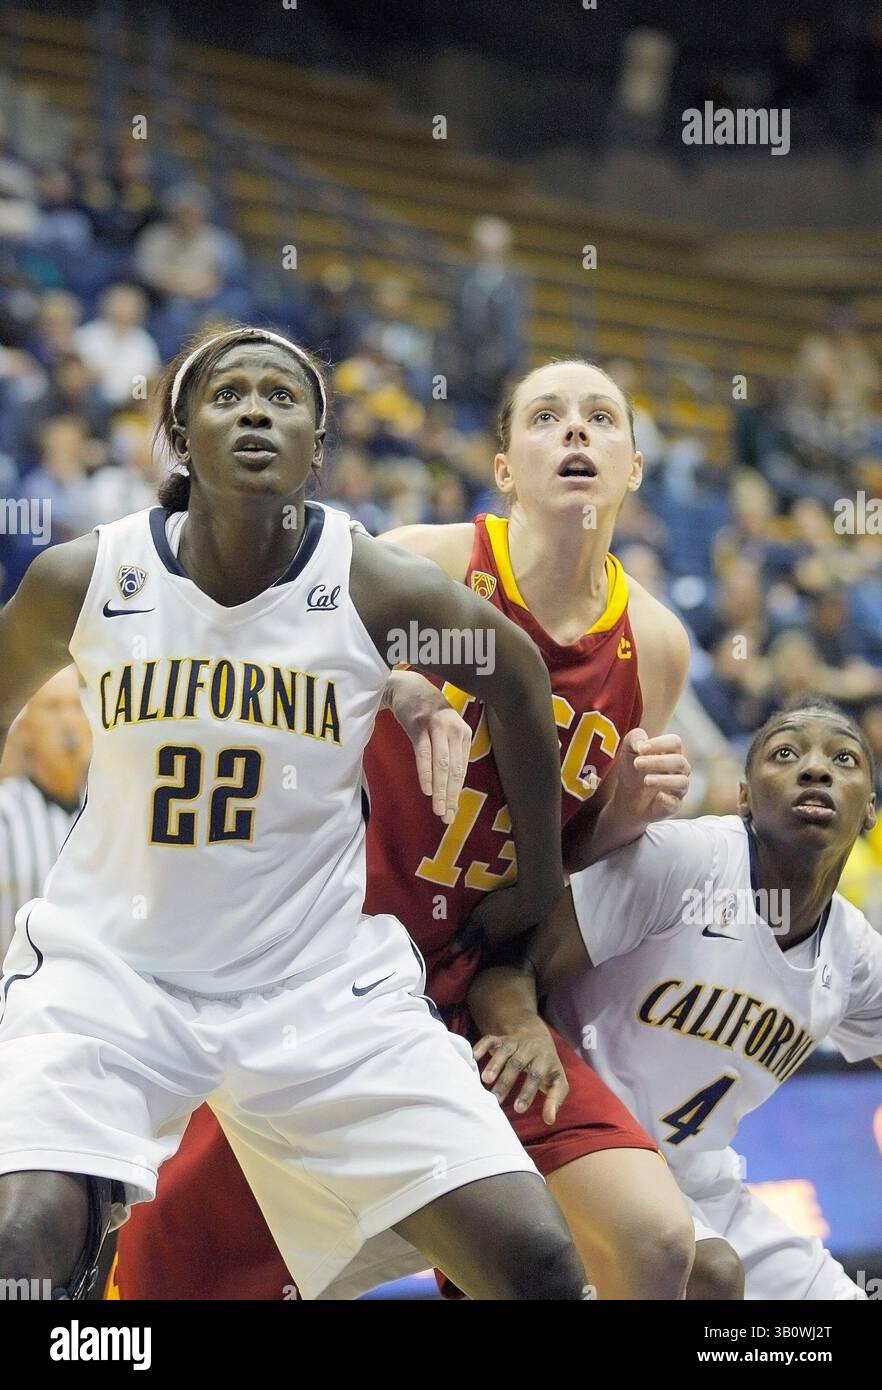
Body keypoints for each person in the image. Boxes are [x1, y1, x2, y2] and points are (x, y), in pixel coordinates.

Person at [0, 325, 590, 1303]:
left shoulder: (369, 585)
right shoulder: (86, 578)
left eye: (284, 395)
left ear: (319, 443)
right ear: (183, 436)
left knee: (537, 1262)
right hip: (113, 976)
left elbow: (518, 681)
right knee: (21, 1245)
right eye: (229, 394)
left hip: (315, 988)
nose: (257, 410)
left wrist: (540, 882)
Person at [113, 356, 698, 1301]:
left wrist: (624, 818)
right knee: (171, 1271)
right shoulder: (427, 561)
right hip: (330, 966)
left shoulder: (657, 646)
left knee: (658, 1243)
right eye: (547, 416)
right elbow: (267, 667)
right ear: (505, 466)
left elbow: (563, 872)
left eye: (603, 418)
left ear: (634, 467)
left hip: (484, 982)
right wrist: (392, 680)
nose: (578, 432)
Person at [483, 699, 882, 1299]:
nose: (815, 769)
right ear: (745, 796)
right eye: (786, 753)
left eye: (843, 758)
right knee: (711, 1279)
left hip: (701, 1179)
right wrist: (519, 1024)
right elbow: (509, 961)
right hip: (583, 1152)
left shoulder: (853, 953)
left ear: (870, 808)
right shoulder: (689, 860)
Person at [0, 667, 90, 955]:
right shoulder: (5, 815)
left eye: (78, 707)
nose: (69, 722)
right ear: (24, 730)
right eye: (53, 708)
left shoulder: (111, 813)